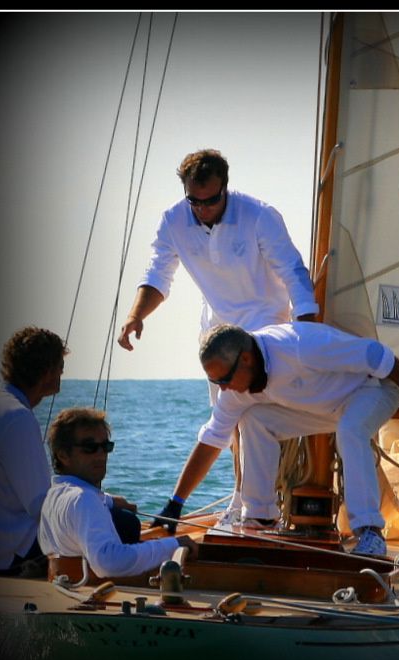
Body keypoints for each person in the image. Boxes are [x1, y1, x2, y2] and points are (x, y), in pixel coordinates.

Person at [117, 149, 319, 521]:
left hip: (266, 329)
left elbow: (293, 273)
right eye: (194, 200)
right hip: (218, 334)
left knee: (253, 418)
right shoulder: (174, 221)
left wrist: (307, 331)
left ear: (225, 187)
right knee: (228, 424)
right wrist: (135, 317)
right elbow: (159, 275)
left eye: (210, 200)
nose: (202, 209)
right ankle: (241, 500)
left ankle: (254, 504)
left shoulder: (259, 216)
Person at [152, 322, 399, 556]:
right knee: (255, 419)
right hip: (326, 407)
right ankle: (260, 520)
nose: (222, 389)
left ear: (246, 359)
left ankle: (369, 532)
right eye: (214, 381)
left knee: (351, 431)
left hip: (373, 389)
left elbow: (377, 356)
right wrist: (175, 504)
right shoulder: (237, 389)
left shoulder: (300, 346)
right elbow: (212, 440)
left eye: (224, 379)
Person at [39, 408, 198, 578]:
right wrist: (174, 544)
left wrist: (109, 501)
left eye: (106, 446)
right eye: (90, 447)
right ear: (63, 454)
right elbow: (109, 562)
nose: (101, 454)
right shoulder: (84, 499)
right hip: (95, 590)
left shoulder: (52, 497)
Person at [0, 327, 68, 577]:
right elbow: (41, 507)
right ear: (47, 371)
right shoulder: (18, 418)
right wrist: (102, 503)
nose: (62, 373)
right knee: (123, 524)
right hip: (12, 553)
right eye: (60, 366)